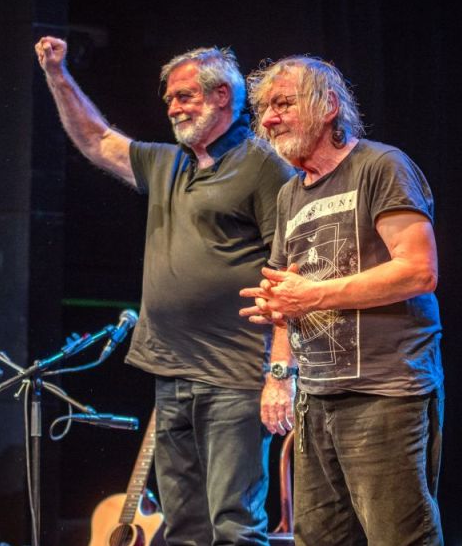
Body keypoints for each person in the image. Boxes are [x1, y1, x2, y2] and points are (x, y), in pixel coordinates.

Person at [35, 37, 293, 545]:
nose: (172, 107)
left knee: (234, 525)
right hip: (171, 371)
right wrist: (57, 76)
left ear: (222, 96)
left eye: (184, 96)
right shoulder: (166, 163)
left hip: (236, 375)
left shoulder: (262, 166)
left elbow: (289, 269)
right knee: (183, 527)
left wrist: (280, 372)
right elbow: (96, 140)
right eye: (169, 98)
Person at [240, 56, 445, 545]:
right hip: (315, 399)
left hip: (384, 391)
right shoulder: (290, 195)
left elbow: (419, 270)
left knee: (398, 536)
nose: (269, 119)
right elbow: (288, 291)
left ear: (329, 105)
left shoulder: (381, 166)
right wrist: (279, 372)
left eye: (283, 103)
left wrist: (312, 296)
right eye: (264, 109)